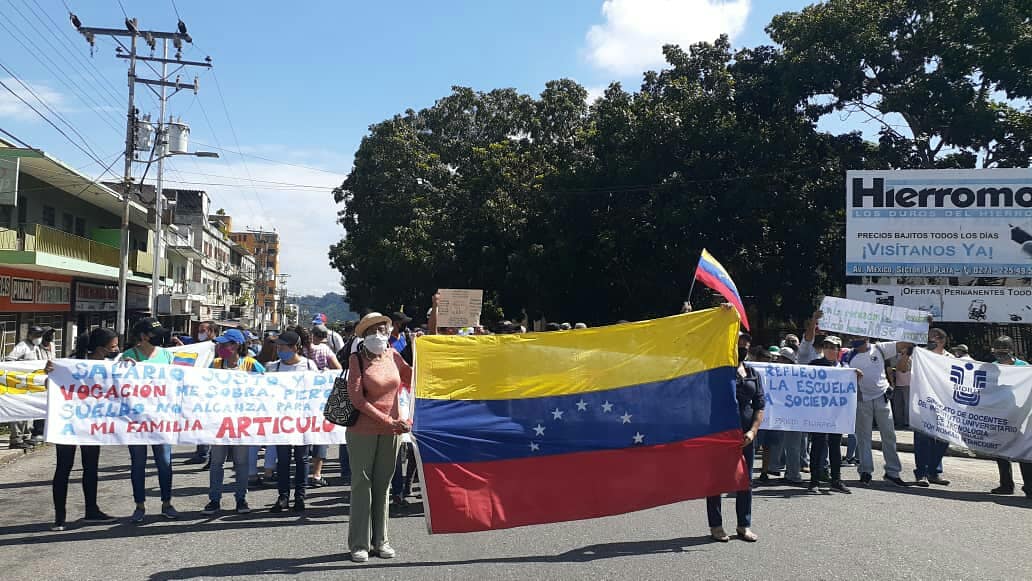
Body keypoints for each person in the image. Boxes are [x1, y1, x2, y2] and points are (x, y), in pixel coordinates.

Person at [346, 302, 435, 562]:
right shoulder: (356, 359)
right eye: (372, 330)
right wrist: (387, 419)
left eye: (382, 329)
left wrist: (422, 349)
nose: (378, 334)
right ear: (363, 335)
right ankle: (359, 544)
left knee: (383, 486)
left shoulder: (393, 356)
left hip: (393, 430)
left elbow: (413, 379)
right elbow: (357, 400)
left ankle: (381, 541)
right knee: (362, 485)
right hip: (363, 430)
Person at [49, 328, 119, 531]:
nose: (116, 350)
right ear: (101, 348)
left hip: (89, 424)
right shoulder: (70, 365)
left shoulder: (107, 366)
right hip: (70, 423)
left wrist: (128, 369)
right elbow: (50, 384)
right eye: (113, 347)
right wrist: (50, 373)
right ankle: (61, 517)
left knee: (88, 468)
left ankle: (89, 511)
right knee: (66, 468)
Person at [839, 315, 913, 487]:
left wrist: (918, 328)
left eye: (858, 336)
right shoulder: (848, 356)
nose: (855, 339)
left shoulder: (880, 348)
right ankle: (865, 471)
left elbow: (903, 344)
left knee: (889, 436)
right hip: (861, 399)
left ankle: (892, 472)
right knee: (863, 437)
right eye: (853, 336)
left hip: (882, 397)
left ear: (867, 336)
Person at [202, 329, 266, 516]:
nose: (221, 347)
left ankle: (241, 499)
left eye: (225, 344)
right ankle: (214, 500)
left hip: (242, 424)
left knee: (241, 463)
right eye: (220, 344)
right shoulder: (215, 364)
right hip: (219, 423)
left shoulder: (251, 364)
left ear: (236, 345)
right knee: (216, 462)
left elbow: (267, 386)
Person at [121, 318, 178, 523]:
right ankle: (139, 505)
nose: (159, 337)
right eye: (154, 334)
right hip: (136, 421)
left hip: (161, 419)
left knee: (165, 462)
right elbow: (117, 385)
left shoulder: (166, 355)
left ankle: (167, 503)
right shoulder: (128, 356)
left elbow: (175, 383)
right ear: (143, 336)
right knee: (138, 463)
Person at [708, 327, 762, 543]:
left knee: (745, 481)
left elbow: (760, 405)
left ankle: (743, 525)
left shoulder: (753, 374)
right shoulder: (717, 372)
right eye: (739, 344)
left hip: (745, 436)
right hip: (720, 434)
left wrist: (752, 431)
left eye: (746, 345)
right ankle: (716, 525)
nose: (743, 347)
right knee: (716, 481)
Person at [269, 330, 317, 513]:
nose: (280, 349)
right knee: (282, 460)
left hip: (302, 421)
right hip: (281, 421)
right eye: (278, 346)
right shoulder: (274, 367)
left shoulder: (308, 365)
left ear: (295, 347)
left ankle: (300, 496)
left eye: (283, 346)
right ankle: (282, 497)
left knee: (302, 459)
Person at [807, 334, 853, 494]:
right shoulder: (814, 364)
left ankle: (836, 480)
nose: (828, 350)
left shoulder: (845, 368)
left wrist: (856, 376)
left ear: (838, 350)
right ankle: (814, 481)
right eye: (826, 346)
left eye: (832, 347)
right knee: (818, 446)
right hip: (818, 413)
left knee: (835, 446)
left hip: (836, 414)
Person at [989, 336, 1032, 497]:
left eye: (1004, 350)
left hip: (1021, 416)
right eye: (997, 351)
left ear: (1011, 350)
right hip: (1000, 416)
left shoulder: (1024, 368)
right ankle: (1006, 485)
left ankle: (1029, 486)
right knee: (1001, 452)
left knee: (1024, 452)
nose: (1000, 355)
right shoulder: (991, 369)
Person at [912, 328, 952, 487]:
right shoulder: (920, 355)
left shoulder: (951, 359)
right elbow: (904, 368)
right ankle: (921, 473)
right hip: (923, 403)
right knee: (923, 439)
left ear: (942, 341)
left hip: (944, 405)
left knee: (943, 439)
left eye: (933, 339)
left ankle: (934, 471)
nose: (929, 341)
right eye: (928, 339)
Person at [5, 325, 46, 449]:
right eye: (36, 336)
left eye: (40, 336)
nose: (38, 338)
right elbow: (9, 360)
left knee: (27, 413)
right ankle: (16, 439)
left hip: (32, 386)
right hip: (20, 385)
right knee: (18, 413)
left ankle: (25, 437)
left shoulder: (37, 347)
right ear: (29, 335)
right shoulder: (22, 346)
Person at [185, 321, 217, 466]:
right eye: (199, 330)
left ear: (211, 331)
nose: (200, 333)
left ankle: (209, 455)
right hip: (199, 391)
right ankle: (202, 453)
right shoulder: (199, 347)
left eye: (203, 330)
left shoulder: (217, 347)